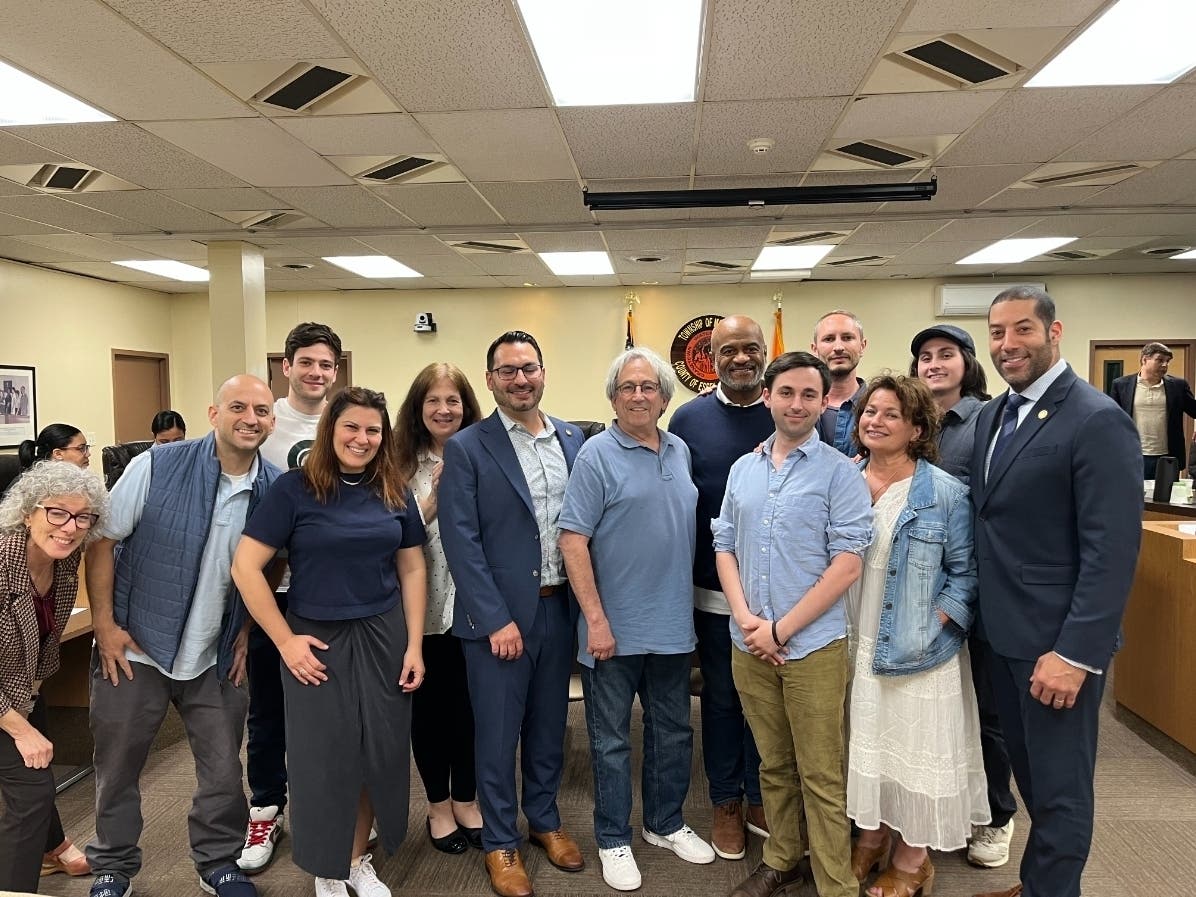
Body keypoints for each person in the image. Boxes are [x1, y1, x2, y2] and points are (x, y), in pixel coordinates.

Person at [969, 286, 1142, 897]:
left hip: (1056, 644)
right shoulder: (996, 413)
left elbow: (1112, 552)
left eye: (1022, 330)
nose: (1008, 345)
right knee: (1033, 780)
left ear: (1054, 331)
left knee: (1062, 788)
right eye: (997, 333)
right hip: (1001, 635)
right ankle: (1040, 881)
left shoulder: (1096, 419)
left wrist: (1075, 654)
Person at [84, 375, 280, 897]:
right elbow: (101, 541)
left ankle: (217, 863)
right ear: (214, 414)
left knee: (221, 772)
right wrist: (103, 625)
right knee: (118, 768)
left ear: (272, 422)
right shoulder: (155, 465)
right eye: (237, 407)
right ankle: (114, 868)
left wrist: (245, 631)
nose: (250, 418)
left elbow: (272, 565)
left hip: (216, 657)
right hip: (135, 649)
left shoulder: (275, 487)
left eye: (261, 411)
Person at [232, 386, 426, 897]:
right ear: (330, 430)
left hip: (384, 635)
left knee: (374, 753)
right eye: (352, 427)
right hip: (314, 639)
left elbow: (411, 567)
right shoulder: (295, 489)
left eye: (373, 430)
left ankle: (357, 858)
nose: (362, 439)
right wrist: (285, 642)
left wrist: (414, 646)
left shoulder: (393, 489)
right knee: (323, 758)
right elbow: (246, 568)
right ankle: (327, 867)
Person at [713, 351, 872, 897]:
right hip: (748, 644)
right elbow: (724, 547)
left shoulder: (840, 473)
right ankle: (781, 857)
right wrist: (746, 619)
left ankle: (835, 884)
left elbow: (848, 563)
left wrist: (780, 631)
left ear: (825, 400)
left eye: (810, 394)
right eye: (787, 393)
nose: (797, 404)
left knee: (822, 777)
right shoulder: (743, 469)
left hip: (813, 650)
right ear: (767, 397)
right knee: (773, 765)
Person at [559, 347, 713, 891]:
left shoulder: (680, 451)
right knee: (610, 740)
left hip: (672, 624)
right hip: (612, 630)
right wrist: (595, 620)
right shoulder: (596, 455)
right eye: (628, 387)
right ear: (613, 396)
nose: (639, 396)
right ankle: (612, 837)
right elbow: (572, 540)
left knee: (672, 732)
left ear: (665, 397)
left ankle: (664, 823)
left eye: (649, 387)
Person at [439, 331, 586, 897]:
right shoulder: (469, 447)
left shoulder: (573, 438)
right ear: (491, 380)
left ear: (544, 373)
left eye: (529, 368)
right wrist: (495, 619)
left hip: (559, 609)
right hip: (497, 621)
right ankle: (501, 841)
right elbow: (462, 540)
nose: (520, 379)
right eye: (508, 371)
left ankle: (544, 821)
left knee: (551, 728)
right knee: (497, 736)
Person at [846, 374, 988, 897]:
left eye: (890, 414)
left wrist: (936, 625)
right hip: (853, 641)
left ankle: (912, 859)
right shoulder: (840, 479)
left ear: (916, 427)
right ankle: (869, 837)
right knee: (869, 747)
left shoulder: (945, 493)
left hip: (918, 648)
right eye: (869, 411)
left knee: (914, 751)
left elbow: (966, 573)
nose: (875, 422)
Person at [667, 315, 773, 860]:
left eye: (750, 349)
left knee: (768, 702)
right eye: (728, 350)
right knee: (724, 700)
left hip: (781, 599)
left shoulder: (787, 411)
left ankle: (760, 794)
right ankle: (726, 800)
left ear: (764, 353)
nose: (740, 359)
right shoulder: (688, 419)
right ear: (711, 356)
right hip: (711, 593)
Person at [911, 324, 1015, 869]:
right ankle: (930, 812)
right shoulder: (912, 423)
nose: (934, 365)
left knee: (985, 707)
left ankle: (996, 816)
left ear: (967, 362)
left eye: (945, 355)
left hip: (975, 585)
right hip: (915, 593)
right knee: (933, 709)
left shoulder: (989, 420)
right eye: (924, 357)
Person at [240, 321, 342, 873]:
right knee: (268, 709)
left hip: (325, 595)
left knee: (326, 710)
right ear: (287, 366)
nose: (316, 373)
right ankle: (266, 806)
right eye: (307, 363)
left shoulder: (347, 424)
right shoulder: (266, 424)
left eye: (326, 365)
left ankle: (325, 810)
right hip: (269, 592)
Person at [0, 462, 108, 893]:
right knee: (30, 795)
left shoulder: (64, 558)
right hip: (5, 701)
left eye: (82, 517)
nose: (70, 527)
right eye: (57, 513)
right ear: (28, 513)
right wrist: (15, 724)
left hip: (24, 688)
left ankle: (53, 849)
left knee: (39, 770)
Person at [394, 363, 485, 854]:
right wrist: (433, 496)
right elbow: (392, 533)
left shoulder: (484, 454)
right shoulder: (395, 462)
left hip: (473, 607)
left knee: (471, 709)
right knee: (428, 711)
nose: (444, 410)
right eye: (433, 401)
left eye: (453, 401)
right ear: (418, 408)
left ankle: (468, 798)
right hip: (421, 611)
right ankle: (437, 804)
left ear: (466, 407)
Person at [1109, 341, 1196, 478]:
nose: (1164, 365)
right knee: (1133, 497)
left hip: (1167, 457)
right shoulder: (1121, 385)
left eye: (1167, 361)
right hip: (1132, 455)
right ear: (1144, 359)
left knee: (1164, 498)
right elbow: (1111, 419)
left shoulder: (1178, 386)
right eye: (1159, 360)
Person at [811, 311, 868, 454]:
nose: (838, 347)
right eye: (829, 339)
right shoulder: (798, 406)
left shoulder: (880, 409)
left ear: (862, 346)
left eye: (847, 338)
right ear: (814, 349)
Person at [18, 424, 90, 470]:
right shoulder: (39, 486)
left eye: (86, 448)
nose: (88, 454)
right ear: (58, 454)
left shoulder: (74, 481)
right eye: (81, 448)